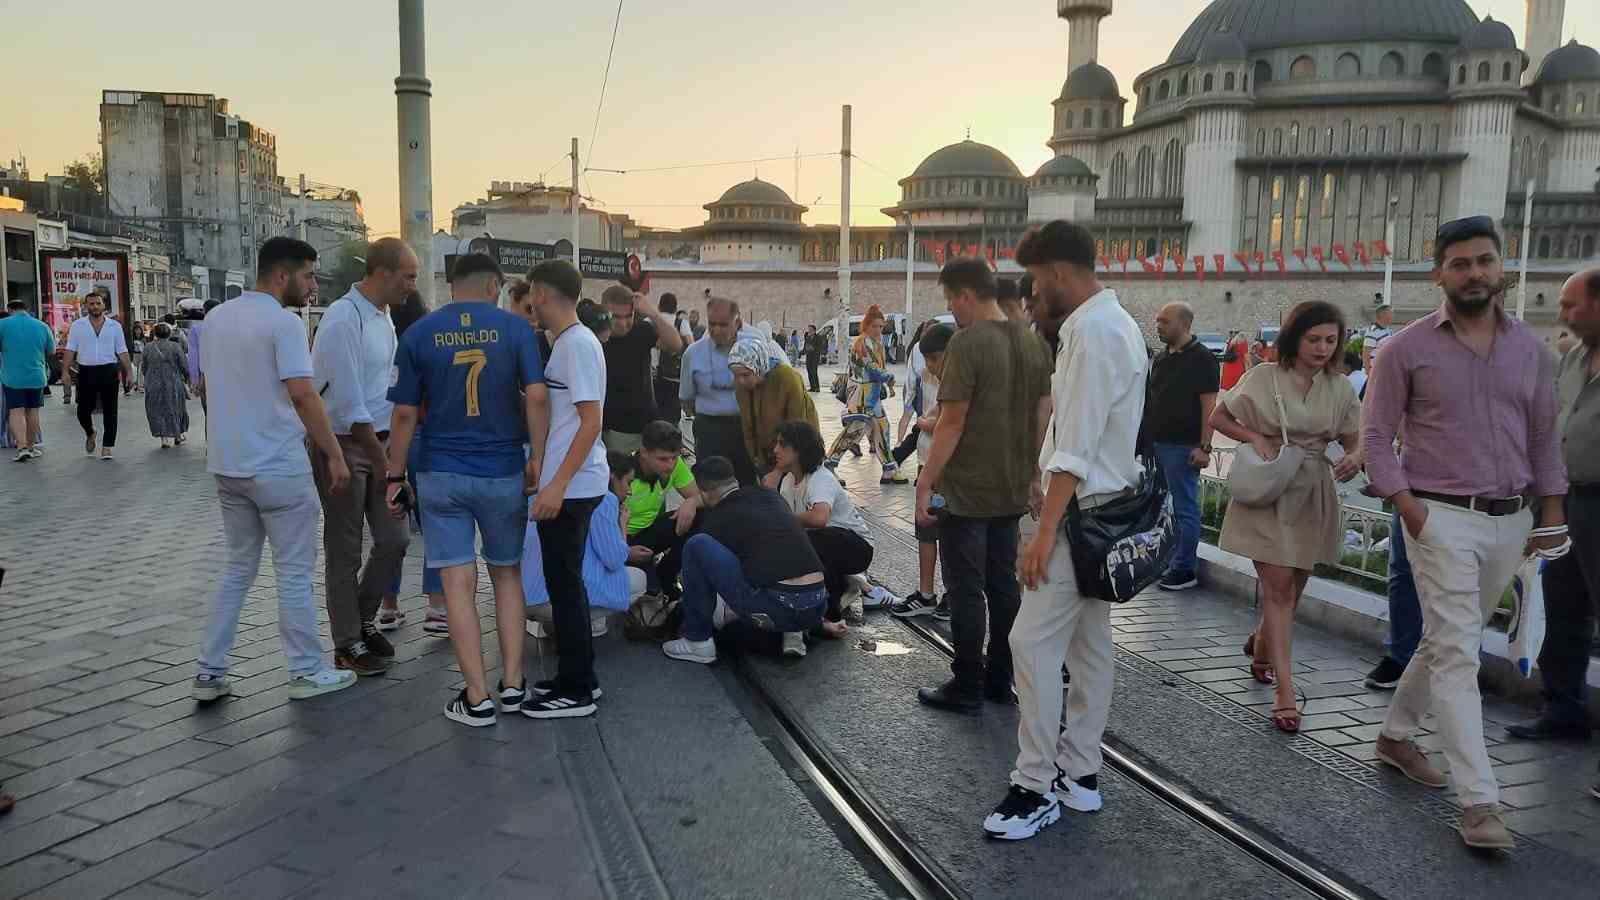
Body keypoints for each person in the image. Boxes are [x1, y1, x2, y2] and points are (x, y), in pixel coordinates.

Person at [1362, 216, 1568, 851]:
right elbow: (1374, 440)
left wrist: (1551, 514)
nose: (1475, 273)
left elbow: (1544, 438)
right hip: (1439, 515)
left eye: (1485, 261)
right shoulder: (1406, 348)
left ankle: (1396, 738)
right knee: (1457, 651)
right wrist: (1410, 509)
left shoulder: (1532, 350)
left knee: (1445, 639)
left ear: (1501, 268)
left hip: (1511, 520)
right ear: (1439, 274)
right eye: (1460, 263)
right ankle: (1480, 802)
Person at [979, 222, 1143, 840]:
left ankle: (1034, 783)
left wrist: (1044, 533)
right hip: (1104, 514)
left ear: (1061, 273)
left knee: (1031, 644)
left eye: (1039, 280)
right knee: (1090, 648)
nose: (1035, 293)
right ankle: (1081, 773)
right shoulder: (1114, 323)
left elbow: (1074, 448)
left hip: (1081, 518)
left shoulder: (1094, 333)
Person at [191, 236, 356, 703]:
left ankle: (210, 670)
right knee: (294, 571)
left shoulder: (217, 318)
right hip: (278, 467)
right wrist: (335, 454)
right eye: (308, 276)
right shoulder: (282, 324)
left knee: (238, 569)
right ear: (282, 275)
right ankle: (305, 669)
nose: (313, 286)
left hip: (228, 464)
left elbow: (207, 387)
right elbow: (303, 394)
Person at [384, 252, 545, 726]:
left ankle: (475, 697)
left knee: (457, 581)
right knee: (507, 574)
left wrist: (395, 476)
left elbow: (404, 414)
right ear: (494, 285)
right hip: (501, 470)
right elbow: (536, 396)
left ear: (451, 284)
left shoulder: (418, 334)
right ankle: (513, 685)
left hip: (440, 472)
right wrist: (537, 455)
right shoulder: (518, 332)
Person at [1211, 302, 1363, 733]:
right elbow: (1219, 415)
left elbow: (1356, 440)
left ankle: (1262, 649)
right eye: (1314, 338)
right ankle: (1285, 692)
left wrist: (1354, 457)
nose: (1322, 347)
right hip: (1270, 488)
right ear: (1295, 337)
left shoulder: (1341, 387)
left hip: (1313, 489)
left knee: (1292, 592)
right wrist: (1254, 435)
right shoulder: (1263, 376)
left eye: (1330, 340)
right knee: (1278, 592)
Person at [914, 258, 1052, 714]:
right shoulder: (1031, 342)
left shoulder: (968, 343)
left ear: (966, 294)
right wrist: (1031, 473)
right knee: (1003, 585)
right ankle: (1000, 678)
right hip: (1010, 486)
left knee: (966, 586)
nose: (952, 310)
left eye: (951, 299)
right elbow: (1043, 413)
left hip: (967, 489)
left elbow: (951, 422)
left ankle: (967, 683)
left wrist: (925, 481)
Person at [1506, 267, 1599, 780]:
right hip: (1563, 500)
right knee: (1563, 607)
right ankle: (1563, 708)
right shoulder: (1575, 358)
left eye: (1571, 304)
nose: (1562, 314)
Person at [309, 238, 416, 676]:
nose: (412, 285)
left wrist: (394, 453)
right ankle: (347, 642)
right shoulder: (342, 319)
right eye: (408, 276)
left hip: (382, 442)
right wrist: (391, 468)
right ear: (382, 272)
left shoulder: (383, 316)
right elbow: (352, 409)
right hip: (345, 446)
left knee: (395, 540)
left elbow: (382, 389)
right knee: (345, 548)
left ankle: (360, 619)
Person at [524, 258, 611, 718]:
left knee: (565, 585)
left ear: (542, 292)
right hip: (571, 481)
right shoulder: (569, 343)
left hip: (573, 485)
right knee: (565, 585)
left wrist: (556, 485)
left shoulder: (576, 345)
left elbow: (590, 422)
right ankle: (579, 677)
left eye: (533, 291)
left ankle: (576, 688)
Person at [661, 456, 828, 665]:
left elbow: (702, 577)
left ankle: (697, 640)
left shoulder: (717, 519)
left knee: (697, 545)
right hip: (817, 605)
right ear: (734, 480)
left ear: (703, 492)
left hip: (778, 608)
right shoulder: (770, 497)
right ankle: (792, 632)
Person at [766, 420, 871, 653]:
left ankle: (830, 609)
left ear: (799, 450)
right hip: (824, 545)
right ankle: (832, 592)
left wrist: (784, 520)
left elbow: (819, 518)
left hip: (856, 546)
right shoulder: (788, 483)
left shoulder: (820, 478)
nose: (775, 450)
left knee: (814, 540)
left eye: (782, 445)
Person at [525, 449, 649, 644]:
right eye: (629, 482)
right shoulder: (604, 498)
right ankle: (579, 625)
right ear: (611, 477)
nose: (630, 490)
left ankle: (557, 623)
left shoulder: (543, 489)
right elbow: (615, 560)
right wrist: (622, 525)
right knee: (639, 580)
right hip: (552, 596)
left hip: (520, 596)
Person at [1142, 301, 1220, 592]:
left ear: (1184, 325)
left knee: (1185, 508)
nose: (1159, 326)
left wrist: (1205, 447)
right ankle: (1165, 560)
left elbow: (1209, 405)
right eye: (1158, 321)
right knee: (1162, 508)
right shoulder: (1162, 358)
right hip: (1158, 446)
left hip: (1183, 448)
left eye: (1165, 322)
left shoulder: (1202, 359)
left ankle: (1185, 568)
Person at [380, 289, 441, 635]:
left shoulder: (385, 341)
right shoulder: (427, 343)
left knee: (394, 524)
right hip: (426, 435)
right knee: (435, 523)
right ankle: (436, 606)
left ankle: (388, 606)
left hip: (390, 437)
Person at [890, 324, 954, 620]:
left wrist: (928, 423)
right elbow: (926, 418)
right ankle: (925, 593)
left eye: (935, 359)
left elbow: (945, 422)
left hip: (950, 469)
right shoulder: (928, 376)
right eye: (926, 359)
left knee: (953, 536)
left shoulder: (960, 379)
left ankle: (954, 594)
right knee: (925, 532)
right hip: (926, 462)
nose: (930, 366)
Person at [681, 296, 757, 483]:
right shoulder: (693, 353)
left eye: (723, 325)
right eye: (712, 324)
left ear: (737, 323)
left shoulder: (753, 348)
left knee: (747, 485)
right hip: (709, 430)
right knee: (711, 485)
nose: (716, 330)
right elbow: (686, 398)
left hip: (746, 428)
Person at [623, 420, 701, 601]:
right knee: (650, 596)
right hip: (621, 538)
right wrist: (624, 551)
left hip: (649, 532)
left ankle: (667, 573)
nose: (670, 465)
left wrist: (691, 502)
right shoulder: (624, 474)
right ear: (644, 453)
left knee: (701, 517)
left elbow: (700, 495)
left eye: (674, 458)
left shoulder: (675, 465)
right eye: (662, 459)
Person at [826, 305, 903, 484]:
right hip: (860, 394)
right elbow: (872, 367)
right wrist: (888, 377)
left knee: (882, 428)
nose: (878, 330)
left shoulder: (877, 343)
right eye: (875, 326)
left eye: (881, 326)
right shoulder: (862, 343)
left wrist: (886, 379)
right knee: (854, 431)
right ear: (866, 325)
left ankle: (889, 468)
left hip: (872, 396)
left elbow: (879, 368)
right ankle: (829, 464)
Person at [601, 284, 683, 452]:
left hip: (647, 425)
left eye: (628, 316)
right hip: (613, 428)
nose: (623, 323)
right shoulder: (593, 337)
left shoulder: (641, 330)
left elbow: (675, 344)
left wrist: (653, 313)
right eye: (615, 317)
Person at [731, 335, 818, 475]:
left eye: (745, 375)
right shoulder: (741, 387)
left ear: (759, 366)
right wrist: (757, 460)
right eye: (736, 375)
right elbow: (748, 428)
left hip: (799, 454)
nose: (740, 381)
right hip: (769, 457)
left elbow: (797, 431)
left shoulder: (787, 378)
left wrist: (778, 472)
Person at [62, 291, 131, 460]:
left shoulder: (115, 326)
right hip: (86, 371)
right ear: (86, 306)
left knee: (110, 410)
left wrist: (129, 371)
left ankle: (107, 446)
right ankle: (90, 432)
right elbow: (70, 349)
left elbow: (122, 350)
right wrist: (65, 372)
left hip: (109, 370)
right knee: (83, 410)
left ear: (104, 305)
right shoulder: (78, 326)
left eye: (98, 303)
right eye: (91, 304)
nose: (95, 306)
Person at [0, 300, 54, 460]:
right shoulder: (42, 326)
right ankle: (31, 447)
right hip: (37, 376)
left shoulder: (2, 324)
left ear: (10, 310)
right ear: (27, 309)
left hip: (12, 377)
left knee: (16, 411)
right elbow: (51, 350)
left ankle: (22, 447)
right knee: (33, 411)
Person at [140, 323, 190, 448]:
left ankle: (164, 439)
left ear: (155, 334)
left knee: (158, 410)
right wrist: (188, 378)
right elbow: (184, 364)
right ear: (169, 334)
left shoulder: (148, 347)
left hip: (153, 382)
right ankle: (178, 435)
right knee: (176, 408)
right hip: (172, 382)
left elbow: (144, 367)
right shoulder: (175, 347)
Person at [653, 292, 685, 426]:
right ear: (675, 306)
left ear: (660, 305)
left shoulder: (650, 320)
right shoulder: (681, 322)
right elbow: (690, 343)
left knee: (655, 410)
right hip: (673, 376)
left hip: (652, 375)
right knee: (672, 413)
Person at [801, 324, 824, 393]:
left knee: (814, 371)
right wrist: (802, 352)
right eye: (808, 330)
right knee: (809, 372)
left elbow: (820, 347)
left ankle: (817, 387)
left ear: (814, 330)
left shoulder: (818, 337)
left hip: (815, 357)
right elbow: (805, 347)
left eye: (810, 330)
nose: (809, 331)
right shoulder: (807, 338)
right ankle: (812, 387)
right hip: (808, 357)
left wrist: (813, 348)